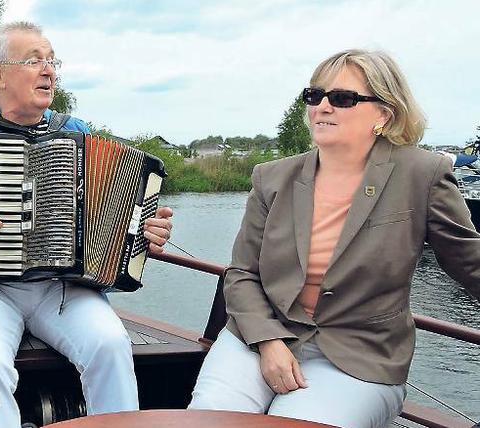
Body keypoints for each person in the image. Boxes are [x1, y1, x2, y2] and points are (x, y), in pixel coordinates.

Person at [188, 49, 480, 428]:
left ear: (384, 114)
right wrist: (267, 342)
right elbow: (242, 274)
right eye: (315, 96)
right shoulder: (272, 178)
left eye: (342, 99)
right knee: (206, 422)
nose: (322, 107)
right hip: (258, 336)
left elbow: (469, 262)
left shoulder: (421, 175)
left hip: (359, 355)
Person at [0, 21, 175, 428]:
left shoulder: (76, 133)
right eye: (34, 60)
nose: (49, 71)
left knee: (111, 344)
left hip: (64, 287)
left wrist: (146, 230)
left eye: (52, 61)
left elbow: (114, 212)